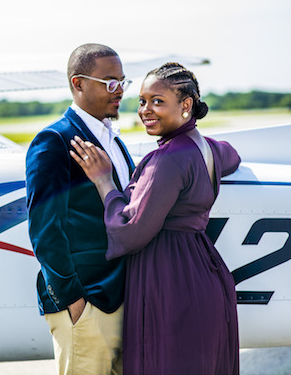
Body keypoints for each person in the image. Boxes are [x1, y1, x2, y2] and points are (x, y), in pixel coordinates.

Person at [70, 62, 240, 375]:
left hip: (170, 283)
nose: (146, 110)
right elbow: (232, 154)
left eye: (158, 102)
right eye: (143, 101)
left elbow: (130, 233)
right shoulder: (207, 148)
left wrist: (104, 180)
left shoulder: (167, 159)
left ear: (186, 105)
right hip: (205, 275)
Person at [26, 43, 136, 375]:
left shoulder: (113, 139)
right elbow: (46, 230)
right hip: (87, 305)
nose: (119, 91)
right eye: (109, 82)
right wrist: (74, 302)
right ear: (79, 83)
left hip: (122, 300)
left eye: (122, 81)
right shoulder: (54, 141)